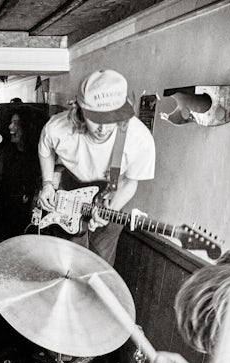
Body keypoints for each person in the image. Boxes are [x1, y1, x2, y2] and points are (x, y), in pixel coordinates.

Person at [36, 69, 155, 265]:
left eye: (112, 118)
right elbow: (45, 150)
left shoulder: (139, 139)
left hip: (109, 198)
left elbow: (131, 181)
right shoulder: (57, 128)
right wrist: (48, 183)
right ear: (79, 111)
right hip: (68, 194)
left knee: (99, 267)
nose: (103, 128)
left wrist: (110, 211)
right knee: (67, 263)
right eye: (96, 119)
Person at [0, 106, 48, 241]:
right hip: (6, 213)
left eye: (16, 123)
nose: (10, 127)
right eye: (11, 122)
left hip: (28, 217)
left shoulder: (40, 156)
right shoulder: (5, 152)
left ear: (28, 127)